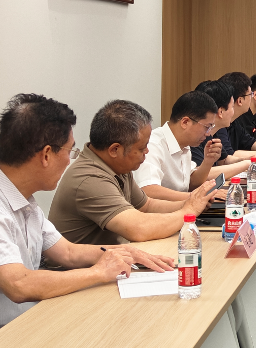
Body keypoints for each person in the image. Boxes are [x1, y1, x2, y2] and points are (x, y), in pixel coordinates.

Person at [0, 94, 174, 327]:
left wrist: (126, 254)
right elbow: (18, 285)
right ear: (46, 155)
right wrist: (98, 272)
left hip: (31, 318)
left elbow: (67, 252)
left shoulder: (25, 200)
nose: (70, 160)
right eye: (70, 151)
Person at [50, 100, 217, 245]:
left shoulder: (117, 166)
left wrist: (191, 203)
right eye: (142, 148)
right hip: (80, 269)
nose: (147, 152)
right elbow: (139, 228)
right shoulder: (90, 178)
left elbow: (146, 206)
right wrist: (188, 211)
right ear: (115, 150)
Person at [134, 91, 223, 201]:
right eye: (207, 127)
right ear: (185, 122)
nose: (208, 133)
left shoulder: (185, 145)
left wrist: (208, 161)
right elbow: (148, 190)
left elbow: (190, 184)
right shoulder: (153, 145)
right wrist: (197, 197)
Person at [191, 80, 256, 169]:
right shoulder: (197, 136)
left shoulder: (211, 133)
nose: (233, 112)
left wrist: (248, 160)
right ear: (221, 112)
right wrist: (246, 164)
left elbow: (224, 160)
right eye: (232, 107)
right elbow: (200, 173)